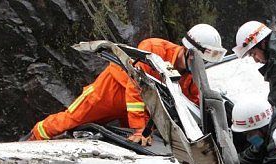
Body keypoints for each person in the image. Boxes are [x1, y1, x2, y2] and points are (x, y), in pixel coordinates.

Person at [29, 24, 226, 145]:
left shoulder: (191, 78)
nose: (203, 65)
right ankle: (33, 138)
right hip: (110, 91)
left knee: (132, 146)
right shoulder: (154, 49)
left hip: (140, 109)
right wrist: (140, 128)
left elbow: (193, 105)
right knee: (70, 120)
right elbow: (136, 87)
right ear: (189, 51)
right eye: (202, 60)